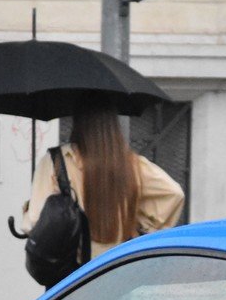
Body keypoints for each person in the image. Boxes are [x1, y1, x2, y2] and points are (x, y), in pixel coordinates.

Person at [19, 101, 184, 257]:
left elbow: (33, 222)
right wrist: (142, 231)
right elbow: (174, 193)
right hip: (115, 269)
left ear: (78, 122)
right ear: (113, 126)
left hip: (70, 275)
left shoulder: (57, 161)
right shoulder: (132, 164)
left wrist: (28, 209)